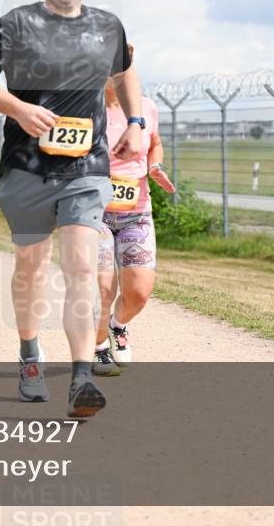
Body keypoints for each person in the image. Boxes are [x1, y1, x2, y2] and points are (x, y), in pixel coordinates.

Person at [0, 0, 142, 417]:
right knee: (32, 269)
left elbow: (126, 73)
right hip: (27, 167)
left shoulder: (107, 26)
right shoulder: (15, 24)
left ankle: (81, 378)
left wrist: (136, 123)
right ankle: (29, 355)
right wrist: (18, 108)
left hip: (87, 167)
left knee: (81, 267)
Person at [93, 47, 175, 376]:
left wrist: (154, 166)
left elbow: (155, 142)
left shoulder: (146, 108)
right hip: (93, 212)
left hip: (136, 212)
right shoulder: (83, 109)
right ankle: (98, 348)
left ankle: (118, 325)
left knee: (139, 292)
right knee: (102, 288)